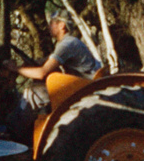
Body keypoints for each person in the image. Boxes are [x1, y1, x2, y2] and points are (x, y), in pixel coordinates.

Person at [8, 12, 102, 140]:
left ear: (62, 25)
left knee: (32, 93)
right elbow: (47, 61)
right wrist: (26, 64)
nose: (49, 26)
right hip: (81, 87)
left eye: (52, 23)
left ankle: (15, 136)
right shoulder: (69, 42)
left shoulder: (67, 45)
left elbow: (42, 73)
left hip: (81, 90)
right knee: (39, 88)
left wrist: (16, 69)